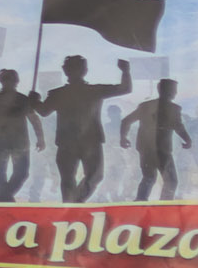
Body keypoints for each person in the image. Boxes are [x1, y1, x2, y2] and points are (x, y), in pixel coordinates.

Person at [37, 56, 131, 204]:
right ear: (85, 70)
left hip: (70, 141)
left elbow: (43, 110)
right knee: (92, 176)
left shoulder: (59, 93)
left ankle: (71, 204)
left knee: (70, 178)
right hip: (89, 141)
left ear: (65, 70)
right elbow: (125, 88)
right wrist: (125, 71)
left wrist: (34, 101)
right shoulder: (94, 91)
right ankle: (73, 204)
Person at [0, 69, 45, 202]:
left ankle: (2, 198)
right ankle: (3, 198)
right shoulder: (20, 99)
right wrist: (40, 139)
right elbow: (35, 120)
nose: (9, 82)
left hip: (9, 142)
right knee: (6, 173)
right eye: (7, 79)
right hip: (12, 142)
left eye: (10, 79)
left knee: (5, 173)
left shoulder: (19, 100)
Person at [121, 77, 191, 201]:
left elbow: (126, 121)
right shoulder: (173, 108)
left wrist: (123, 137)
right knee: (171, 180)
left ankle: (140, 202)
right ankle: (163, 206)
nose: (175, 93)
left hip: (145, 148)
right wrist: (187, 140)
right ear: (167, 90)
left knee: (149, 178)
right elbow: (178, 126)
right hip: (162, 150)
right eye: (174, 90)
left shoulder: (145, 106)